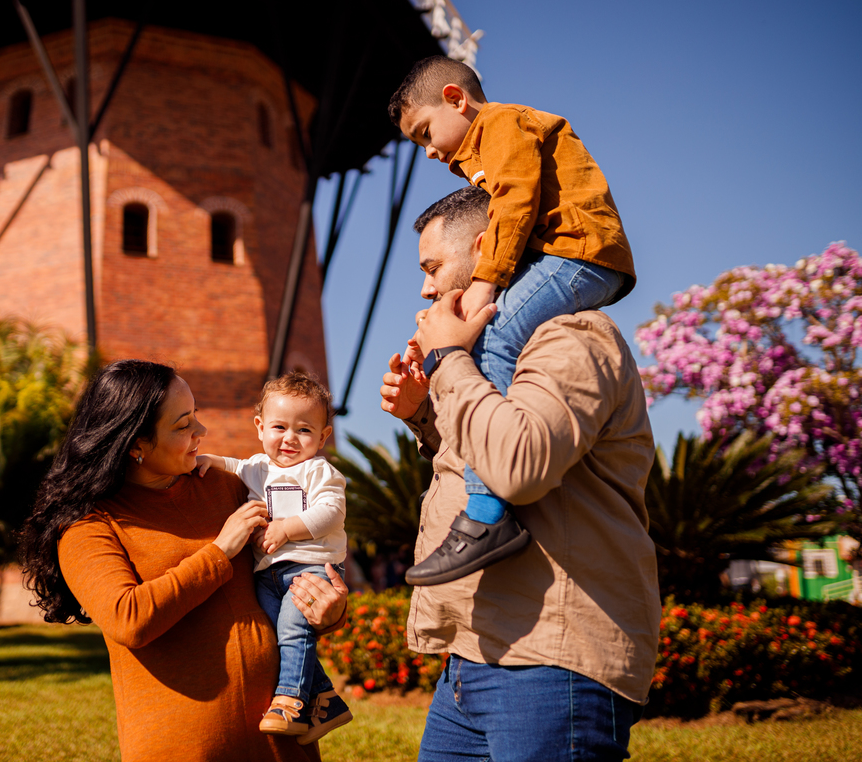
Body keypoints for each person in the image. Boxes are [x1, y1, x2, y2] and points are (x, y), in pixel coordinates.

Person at [380, 187, 660, 761]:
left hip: (551, 662)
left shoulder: (571, 336)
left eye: (433, 267)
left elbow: (519, 467)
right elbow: (482, 459)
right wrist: (424, 415)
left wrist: (449, 361)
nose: (426, 288)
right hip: (472, 660)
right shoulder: (494, 358)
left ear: (486, 249)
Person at [19, 360, 349, 762]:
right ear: (136, 444)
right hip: (185, 748)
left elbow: (295, 563)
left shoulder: (228, 486)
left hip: (280, 744)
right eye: (182, 425)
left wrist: (328, 609)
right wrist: (219, 551)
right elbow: (130, 619)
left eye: (196, 416)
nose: (202, 433)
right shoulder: (88, 527)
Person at [388, 56, 637, 585]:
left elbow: (516, 202)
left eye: (426, 132)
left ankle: (485, 516)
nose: (429, 150)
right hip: (571, 257)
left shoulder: (502, 124)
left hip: (577, 254)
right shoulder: (481, 150)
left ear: (456, 99)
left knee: (494, 331)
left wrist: (483, 287)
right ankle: (483, 513)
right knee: (495, 339)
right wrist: (423, 412)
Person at [198, 372, 352, 743]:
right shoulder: (256, 467)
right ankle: (326, 700)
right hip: (268, 574)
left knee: (293, 630)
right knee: (275, 635)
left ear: (323, 436)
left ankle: (291, 703)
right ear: (260, 427)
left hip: (310, 566)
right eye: (279, 427)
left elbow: (331, 511)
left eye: (304, 430)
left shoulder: (319, 470)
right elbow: (232, 466)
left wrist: (287, 528)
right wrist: (208, 460)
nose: (289, 438)